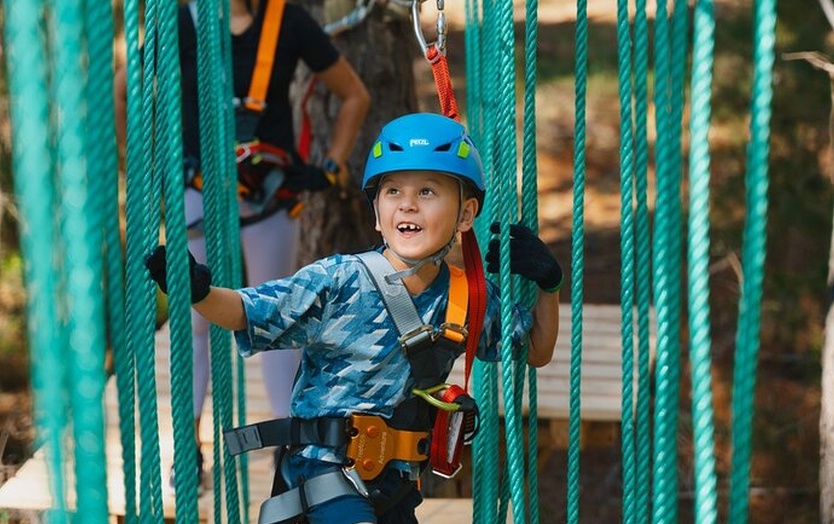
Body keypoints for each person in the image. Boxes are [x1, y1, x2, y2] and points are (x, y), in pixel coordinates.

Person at [145, 113, 561, 523]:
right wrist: (199, 293)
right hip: (323, 475)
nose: (408, 204)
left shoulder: (468, 296)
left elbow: (535, 350)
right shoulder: (340, 280)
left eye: (428, 191)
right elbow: (246, 311)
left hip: (395, 487)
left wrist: (548, 285)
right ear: (377, 212)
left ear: (466, 214)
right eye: (393, 191)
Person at [114, 0, 371, 488]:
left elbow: (353, 94)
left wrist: (332, 166)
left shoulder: (287, 21)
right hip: (198, 192)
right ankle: (186, 452)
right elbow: (125, 88)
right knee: (194, 320)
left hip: (268, 197)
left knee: (279, 318)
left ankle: (289, 452)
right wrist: (141, 168)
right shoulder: (181, 21)